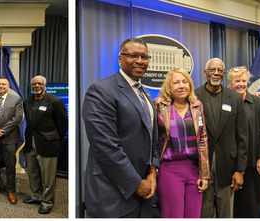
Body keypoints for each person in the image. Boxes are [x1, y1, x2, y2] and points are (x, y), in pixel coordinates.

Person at [82, 38, 159, 218]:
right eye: (133, 55)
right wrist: (135, 183)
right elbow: (106, 147)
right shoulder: (101, 91)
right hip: (113, 192)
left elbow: (152, 139)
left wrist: (153, 171)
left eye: (144, 57)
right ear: (120, 58)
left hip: (145, 189)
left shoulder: (145, 93)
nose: (140, 61)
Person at [195, 58, 248, 218]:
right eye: (212, 70)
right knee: (204, 212)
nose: (216, 73)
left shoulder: (235, 98)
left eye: (219, 70)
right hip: (201, 165)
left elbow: (242, 137)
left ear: (224, 74)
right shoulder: (194, 96)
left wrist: (240, 170)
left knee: (226, 212)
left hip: (228, 166)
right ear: (205, 72)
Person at [154, 68, 209, 218]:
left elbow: (203, 139)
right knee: (174, 215)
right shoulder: (160, 105)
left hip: (193, 170)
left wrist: (204, 174)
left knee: (193, 215)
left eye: (185, 82)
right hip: (169, 169)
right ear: (169, 87)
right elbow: (152, 139)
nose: (181, 86)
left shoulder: (197, 106)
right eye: (176, 82)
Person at [228, 67, 260, 218]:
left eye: (244, 81)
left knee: (253, 203)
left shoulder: (258, 103)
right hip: (231, 162)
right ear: (230, 83)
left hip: (253, 162)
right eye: (237, 81)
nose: (241, 84)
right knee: (233, 204)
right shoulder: (225, 102)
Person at [22, 75, 68, 214]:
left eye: (39, 84)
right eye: (34, 84)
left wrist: (54, 138)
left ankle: (47, 202)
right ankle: (36, 196)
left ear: (45, 85)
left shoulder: (55, 101)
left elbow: (62, 124)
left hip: (47, 144)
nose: (36, 86)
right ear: (31, 86)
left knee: (48, 177)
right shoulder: (27, 101)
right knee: (33, 173)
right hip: (31, 142)